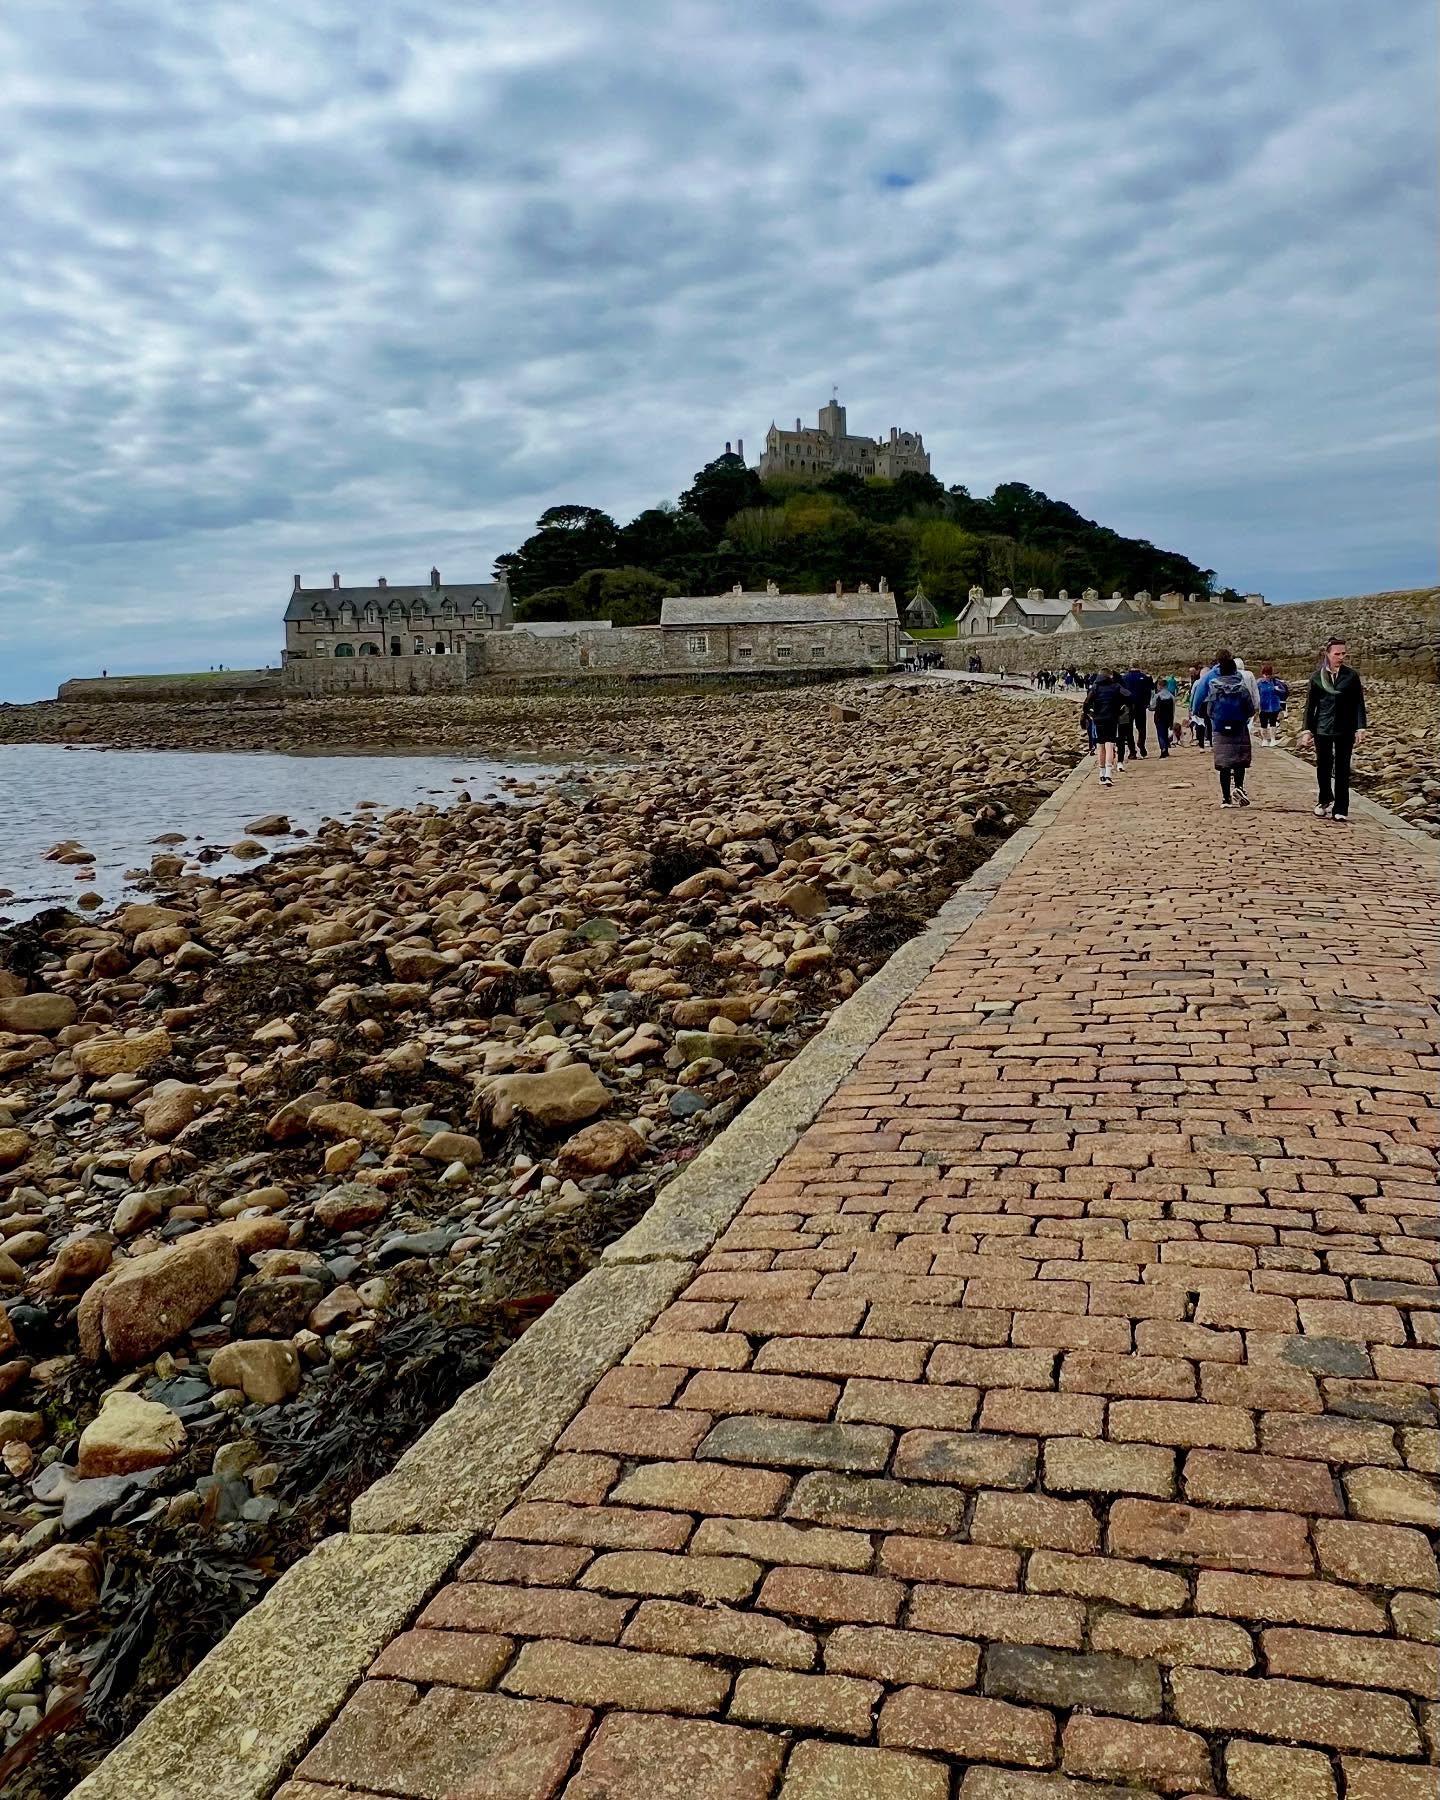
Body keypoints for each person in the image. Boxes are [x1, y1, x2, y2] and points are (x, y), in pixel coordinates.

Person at [1298, 636, 1368, 822]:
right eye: (1337, 654)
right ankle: (1324, 799)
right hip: (1323, 727)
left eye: (1344, 653)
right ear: (1327, 654)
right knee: (1323, 766)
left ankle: (1341, 808)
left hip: (1346, 728)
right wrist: (1306, 731)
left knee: (1343, 768)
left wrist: (1361, 727)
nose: (1341, 657)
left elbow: (1358, 703)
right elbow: (1310, 706)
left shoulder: (1351, 676)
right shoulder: (1317, 678)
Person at [1208, 652, 1256, 807]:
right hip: (1239, 727)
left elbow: (1209, 709)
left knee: (1224, 764)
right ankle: (1239, 787)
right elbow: (1250, 709)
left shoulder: (1214, 687)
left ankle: (1226, 798)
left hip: (1221, 728)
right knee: (1239, 760)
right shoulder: (1241, 688)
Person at [1082, 668, 1128, 787]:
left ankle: (1101, 775)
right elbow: (1129, 695)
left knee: (1100, 746)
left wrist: (1091, 714)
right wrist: (1121, 709)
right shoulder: (1115, 686)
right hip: (1112, 719)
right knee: (1110, 745)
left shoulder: (1095, 687)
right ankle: (1108, 774)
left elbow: (1086, 703)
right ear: (1110, 676)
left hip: (1098, 720)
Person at [1122, 664, 1156, 757]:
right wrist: (1147, 703)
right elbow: (1150, 690)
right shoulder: (1144, 677)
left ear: (1130, 666)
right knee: (1141, 728)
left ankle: (1132, 751)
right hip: (1141, 706)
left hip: (1128, 706)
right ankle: (1141, 743)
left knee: (1128, 729)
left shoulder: (1124, 678)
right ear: (1139, 666)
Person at [1256, 664, 1286, 747]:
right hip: (1263, 706)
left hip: (1274, 706)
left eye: (1268, 674)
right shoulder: (1259, 683)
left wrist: (1277, 690)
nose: (1267, 676)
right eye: (1265, 674)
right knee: (1263, 724)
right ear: (1263, 674)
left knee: (1273, 722)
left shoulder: (1275, 682)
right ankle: (1264, 740)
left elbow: (1283, 691)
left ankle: (1273, 739)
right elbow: (1255, 694)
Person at [1153, 679, 1176, 756]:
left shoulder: (1157, 696)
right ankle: (1166, 747)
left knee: (1160, 733)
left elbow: (1152, 707)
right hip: (1168, 717)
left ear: (1159, 686)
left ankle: (1163, 748)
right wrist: (1172, 719)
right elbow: (1173, 709)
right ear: (1167, 686)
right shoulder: (1171, 696)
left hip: (1159, 717)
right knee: (1166, 733)